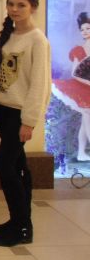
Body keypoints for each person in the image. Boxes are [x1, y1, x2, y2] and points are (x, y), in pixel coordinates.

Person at [0, 0, 50, 247]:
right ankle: (18, 221)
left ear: (33, 8)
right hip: (3, 110)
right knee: (17, 166)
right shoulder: (9, 36)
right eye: (11, 4)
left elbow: (40, 84)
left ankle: (23, 226)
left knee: (4, 165)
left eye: (21, 5)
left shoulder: (38, 40)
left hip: (20, 114)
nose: (14, 9)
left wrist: (29, 121)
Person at [52, 12, 90, 161]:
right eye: (82, 29)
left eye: (88, 28)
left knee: (85, 122)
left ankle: (81, 153)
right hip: (82, 89)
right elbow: (75, 72)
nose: (85, 31)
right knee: (87, 118)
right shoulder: (78, 50)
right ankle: (82, 152)